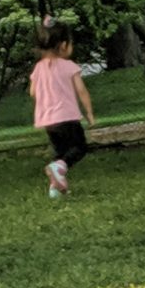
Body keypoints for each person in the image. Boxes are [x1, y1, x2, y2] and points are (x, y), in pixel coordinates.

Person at [30, 15, 95, 198]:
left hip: (49, 122)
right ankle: (57, 170)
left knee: (60, 153)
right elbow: (82, 91)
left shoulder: (39, 68)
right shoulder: (68, 66)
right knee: (79, 148)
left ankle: (56, 188)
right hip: (67, 117)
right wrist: (89, 113)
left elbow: (33, 92)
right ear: (64, 45)